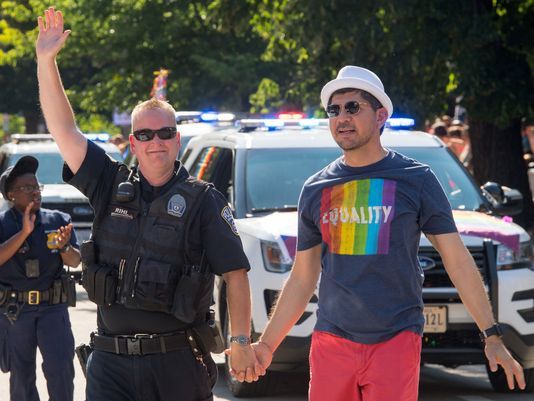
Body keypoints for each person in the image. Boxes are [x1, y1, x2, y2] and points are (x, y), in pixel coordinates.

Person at [250, 66, 525, 401]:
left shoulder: (416, 179)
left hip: (396, 340)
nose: (342, 117)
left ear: (380, 115)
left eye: (353, 107)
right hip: (331, 342)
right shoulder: (316, 188)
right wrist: (267, 344)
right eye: (334, 110)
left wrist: (492, 335)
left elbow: (457, 261)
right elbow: (302, 277)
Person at [35, 7, 260, 401]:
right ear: (133, 143)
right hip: (110, 362)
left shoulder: (204, 201)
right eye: (145, 133)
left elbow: (236, 275)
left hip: (176, 362)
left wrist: (240, 339)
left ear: (177, 139)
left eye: (165, 132)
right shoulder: (108, 183)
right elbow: (63, 128)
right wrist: (45, 61)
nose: (155, 140)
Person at [0, 155, 81, 401]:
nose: (35, 192)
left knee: (61, 371)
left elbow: (75, 261)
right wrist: (24, 232)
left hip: (52, 309)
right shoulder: (3, 224)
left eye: (37, 186)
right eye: (27, 188)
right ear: (11, 194)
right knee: (22, 377)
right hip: (16, 311)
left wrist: (65, 247)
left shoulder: (58, 220)